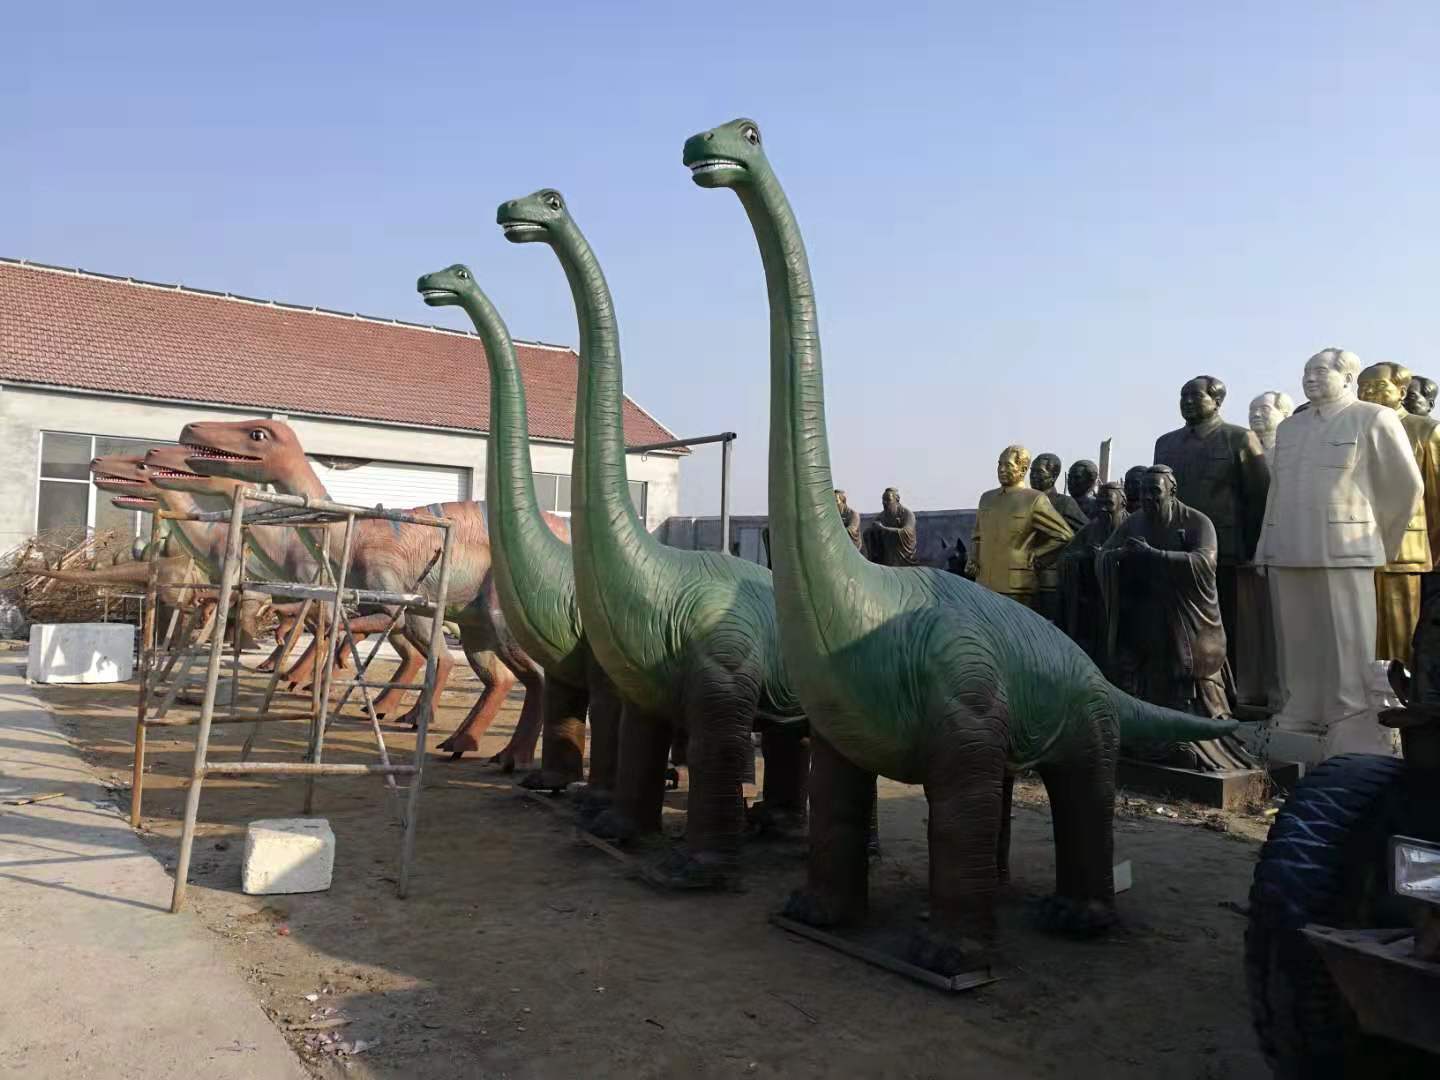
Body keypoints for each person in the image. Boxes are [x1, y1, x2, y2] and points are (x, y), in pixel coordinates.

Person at [1258, 347, 1422, 760]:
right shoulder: (1291, 429)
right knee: (1295, 636)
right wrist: (1266, 544)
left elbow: (1405, 486)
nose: (1310, 378)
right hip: (1289, 545)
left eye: (1320, 371)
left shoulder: (1372, 418)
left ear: (1347, 378)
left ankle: (1350, 715)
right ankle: (1298, 708)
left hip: (1346, 548)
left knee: (1346, 640)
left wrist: (1377, 542)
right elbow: (1277, 491)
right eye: (1306, 372)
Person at [1154, 376, 1271, 695]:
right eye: (1183, 396)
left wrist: (1249, 547)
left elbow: (1258, 497)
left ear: (1217, 401)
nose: (1188, 402)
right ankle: (1178, 691)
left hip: (1222, 552)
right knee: (1173, 622)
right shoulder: (1166, 443)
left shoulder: (1239, 438)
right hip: (1172, 549)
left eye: (1196, 396)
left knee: (1222, 623)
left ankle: (1225, 693)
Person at [968, 445, 1073, 612]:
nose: (1001, 469)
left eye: (1008, 465)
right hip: (983, 583)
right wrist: (973, 557)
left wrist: (1036, 556)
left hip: (1016, 586)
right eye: (999, 464)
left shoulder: (1035, 499)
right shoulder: (987, 498)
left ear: (1023, 469)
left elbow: (1064, 535)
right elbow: (977, 536)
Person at [1057, 481, 1126, 662]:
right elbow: (1066, 556)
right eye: (1099, 503)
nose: (1102, 509)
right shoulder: (1091, 528)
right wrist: (1084, 556)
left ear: (1122, 504)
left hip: (1123, 599)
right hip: (1094, 596)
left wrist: (1107, 556)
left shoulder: (1132, 526)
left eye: (1108, 504)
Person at [1030, 452, 1089, 531]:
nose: (1033, 475)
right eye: (1032, 471)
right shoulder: (1025, 500)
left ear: (1054, 476)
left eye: (1040, 472)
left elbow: (1087, 531)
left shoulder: (1065, 504)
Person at [863, 487, 918, 566]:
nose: (885, 503)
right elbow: (871, 530)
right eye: (883, 500)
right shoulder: (881, 516)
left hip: (903, 554)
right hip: (887, 552)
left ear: (897, 500)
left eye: (888, 500)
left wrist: (883, 528)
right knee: (868, 533)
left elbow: (906, 531)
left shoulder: (907, 514)